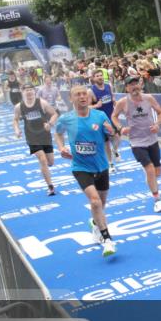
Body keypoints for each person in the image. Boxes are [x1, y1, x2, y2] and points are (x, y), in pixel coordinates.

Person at [55, 84, 118, 257]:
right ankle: (107, 240)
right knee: (95, 202)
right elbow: (58, 133)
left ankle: (95, 223)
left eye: (84, 94)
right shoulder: (66, 119)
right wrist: (61, 148)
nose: (82, 97)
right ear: (71, 98)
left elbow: (111, 133)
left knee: (101, 205)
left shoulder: (99, 115)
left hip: (101, 165)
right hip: (80, 167)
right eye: (78, 94)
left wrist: (111, 131)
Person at [112, 77, 161, 212]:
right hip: (136, 141)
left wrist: (157, 124)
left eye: (136, 83)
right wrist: (120, 128)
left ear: (140, 85)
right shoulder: (123, 102)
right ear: (127, 88)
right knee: (149, 169)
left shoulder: (148, 98)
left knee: (157, 171)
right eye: (131, 85)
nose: (134, 87)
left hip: (152, 139)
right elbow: (114, 116)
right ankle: (157, 200)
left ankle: (150, 178)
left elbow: (160, 113)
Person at [13, 83, 59, 196]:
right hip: (31, 137)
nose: (29, 92)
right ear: (23, 92)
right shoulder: (19, 107)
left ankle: (44, 170)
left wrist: (50, 124)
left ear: (34, 91)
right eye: (26, 90)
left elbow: (54, 114)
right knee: (42, 160)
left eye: (31, 89)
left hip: (45, 135)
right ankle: (50, 186)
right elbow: (15, 120)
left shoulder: (42, 103)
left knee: (50, 162)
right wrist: (17, 130)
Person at [89, 69, 121, 166]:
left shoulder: (108, 86)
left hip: (112, 116)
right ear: (93, 78)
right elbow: (87, 107)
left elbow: (112, 97)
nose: (100, 77)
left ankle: (115, 150)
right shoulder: (91, 91)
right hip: (101, 120)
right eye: (97, 76)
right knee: (106, 143)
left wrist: (114, 101)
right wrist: (96, 105)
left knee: (117, 137)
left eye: (101, 75)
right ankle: (110, 163)